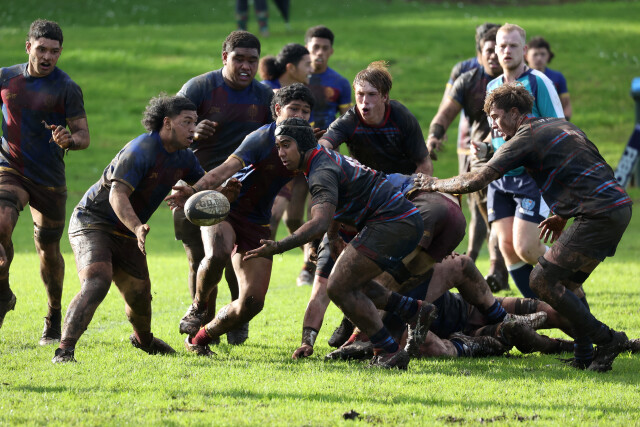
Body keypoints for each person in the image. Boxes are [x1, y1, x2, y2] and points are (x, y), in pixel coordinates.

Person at [414, 82, 632, 372]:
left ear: (515, 113)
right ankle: (584, 355)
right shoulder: (559, 125)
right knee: (567, 284)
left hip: (597, 214)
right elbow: (586, 167)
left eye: (495, 116)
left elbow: (476, 180)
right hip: (617, 207)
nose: (493, 125)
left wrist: (434, 183)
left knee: (541, 280)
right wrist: (562, 215)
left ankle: (609, 340)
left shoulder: (525, 137)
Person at [245, 117, 438, 370]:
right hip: (400, 220)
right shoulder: (321, 158)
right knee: (352, 282)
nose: (280, 153)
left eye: (286, 145)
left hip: (393, 222)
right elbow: (337, 206)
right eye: (278, 146)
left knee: (338, 286)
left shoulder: (320, 171)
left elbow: (319, 222)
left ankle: (388, 351)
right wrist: (335, 237)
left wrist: (279, 246)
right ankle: (414, 310)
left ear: (302, 144)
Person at [51, 95, 209, 363]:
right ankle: (64, 350)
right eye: (187, 122)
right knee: (97, 281)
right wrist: (137, 227)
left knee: (139, 295)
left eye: (195, 122)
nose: (193, 129)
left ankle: (144, 341)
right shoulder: (141, 149)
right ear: (167, 123)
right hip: (93, 222)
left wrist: (222, 191)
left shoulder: (185, 158)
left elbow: (205, 184)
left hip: (128, 232)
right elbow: (117, 195)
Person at [164, 84, 316, 354]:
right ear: (278, 110)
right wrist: (195, 190)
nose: (300, 116)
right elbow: (224, 170)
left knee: (253, 303)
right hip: (226, 207)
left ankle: (200, 338)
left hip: (258, 221)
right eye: (294, 109)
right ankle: (198, 307)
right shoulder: (261, 138)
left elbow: (324, 184)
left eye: (306, 111)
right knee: (218, 253)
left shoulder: (309, 145)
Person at [315, 61, 434, 346]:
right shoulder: (350, 119)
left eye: (371, 95)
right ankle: (348, 321)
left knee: (379, 269)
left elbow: (424, 164)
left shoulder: (401, 117)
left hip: (400, 196)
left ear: (385, 97)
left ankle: (360, 325)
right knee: (345, 265)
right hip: (367, 198)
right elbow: (324, 146)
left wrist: (417, 199)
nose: (364, 102)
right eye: (359, 95)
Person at [174, 30, 274, 345]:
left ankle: (234, 317)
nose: (246, 66)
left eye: (252, 60)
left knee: (233, 257)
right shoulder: (199, 88)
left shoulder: (265, 97)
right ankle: (202, 322)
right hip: (196, 186)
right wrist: (193, 133)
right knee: (201, 258)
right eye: (238, 59)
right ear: (224, 57)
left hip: (245, 192)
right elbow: (166, 132)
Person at [0, 20, 90, 345]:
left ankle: (53, 314)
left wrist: (69, 140)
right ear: (29, 47)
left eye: (54, 51)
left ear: (60, 52)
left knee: (48, 251)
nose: (48, 56)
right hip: (10, 168)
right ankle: (3, 293)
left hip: (49, 179)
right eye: (42, 49)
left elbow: (84, 136)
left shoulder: (67, 88)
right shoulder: (5, 78)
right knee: (1, 224)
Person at [480, 23, 564, 299]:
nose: (506, 51)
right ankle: (540, 309)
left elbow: (559, 129)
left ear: (524, 50)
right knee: (507, 247)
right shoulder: (492, 86)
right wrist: (484, 147)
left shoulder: (539, 82)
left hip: (533, 177)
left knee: (526, 247)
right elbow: (496, 132)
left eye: (513, 46)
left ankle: (573, 292)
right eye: (501, 46)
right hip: (501, 177)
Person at [426, 27, 508, 292]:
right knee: (492, 215)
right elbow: (444, 114)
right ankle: (495, 268)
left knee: (506, 220)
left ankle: (499, 267)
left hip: (517, 154)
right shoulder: (468, 80)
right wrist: (434, 137)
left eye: (498, 50)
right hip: (482, 159)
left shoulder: (519, 80)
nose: (494, 56)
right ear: (479, 54)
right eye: (488, 51)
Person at [270, 25, 353, 287]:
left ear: (331, 51)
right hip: (292, 155)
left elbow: (349, 123)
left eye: (324, 48)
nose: (319, 53)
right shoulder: (295, 79)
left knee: (317, 213)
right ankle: (311, 253)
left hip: (322, 157)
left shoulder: (339, 83)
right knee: (292, 217)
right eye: (315, 47)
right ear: (307, 49)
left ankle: (309, 266)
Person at [526, 36, 572, 120]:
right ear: (526, 56)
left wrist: (564, 123)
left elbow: (566, 104)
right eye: (535, 54)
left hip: (553, 123)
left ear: (549, 56)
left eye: (543, 54)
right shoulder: (519, 78)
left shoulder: (557, 77)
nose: (539, 58)